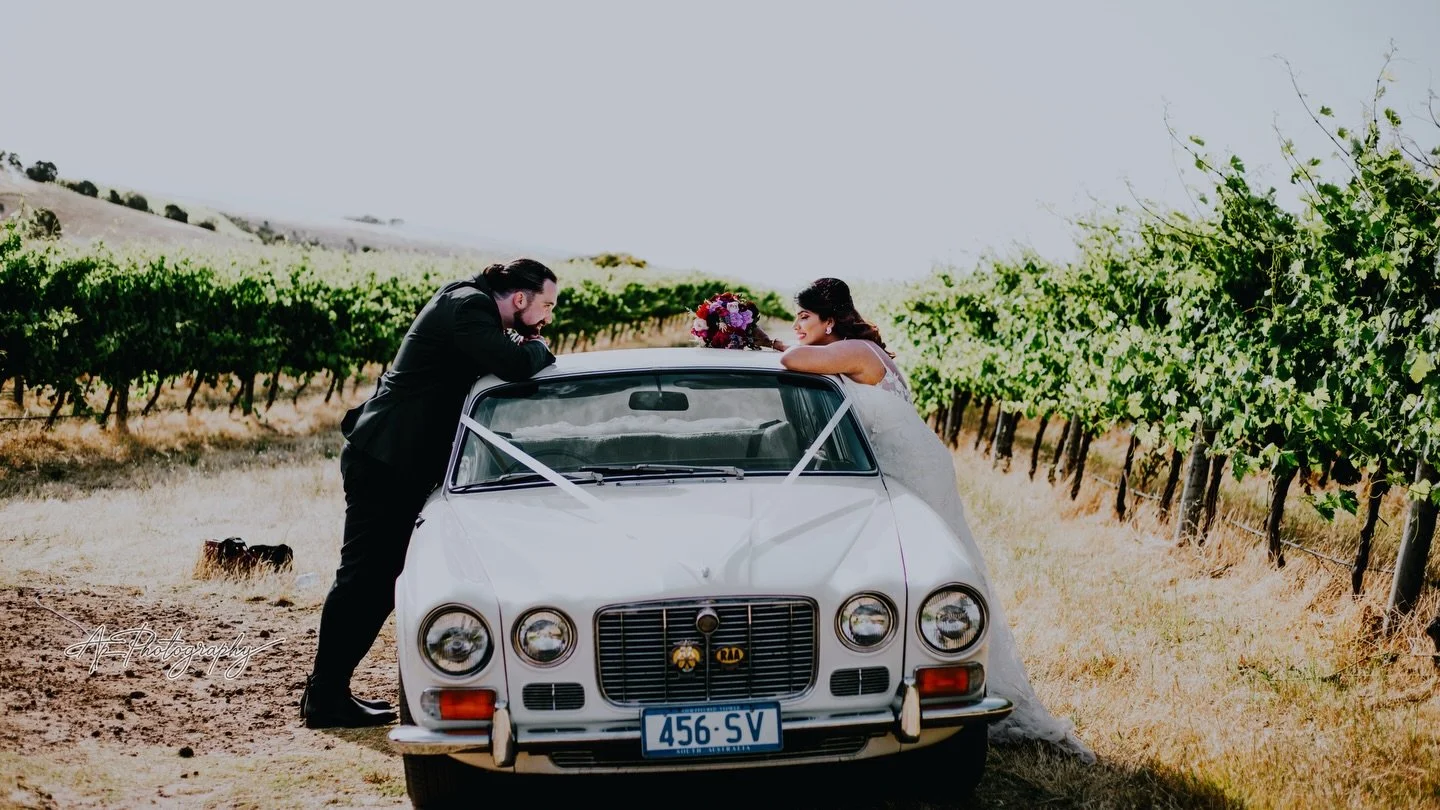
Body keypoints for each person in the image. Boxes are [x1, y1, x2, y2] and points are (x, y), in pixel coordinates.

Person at [779, 277, 1095, 762]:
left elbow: (792, 362)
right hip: (903, 459)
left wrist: (773, 343)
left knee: (939, 563)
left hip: (911, 466)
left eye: (804, 316)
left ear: (830, 320)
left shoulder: (856, 349)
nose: (797, 325)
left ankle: (956, 660)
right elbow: (798, 354)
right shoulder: (848, 348)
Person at [299, 258, 559, 729]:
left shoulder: (470, 305)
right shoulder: (468, 306)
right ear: (519, 299)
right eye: (546, 305)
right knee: (362, 578)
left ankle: (331, 692)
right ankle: (324, 697)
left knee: (381, 583)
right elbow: (517, 365)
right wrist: (538, 347)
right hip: (384, 460)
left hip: (397, 462)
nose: (547, 317)